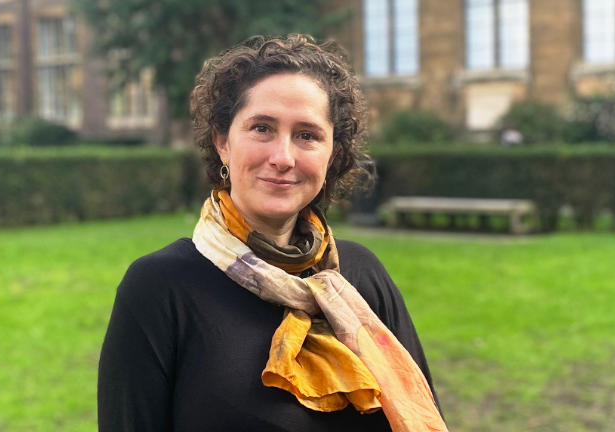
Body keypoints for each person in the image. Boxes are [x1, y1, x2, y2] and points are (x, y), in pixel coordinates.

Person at [98, 34, 448, 432]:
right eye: (262, 128)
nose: (283, 157)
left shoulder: (362, 274)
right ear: (222, 141)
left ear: (333, 153)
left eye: (307, 135)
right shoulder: (160, 288)